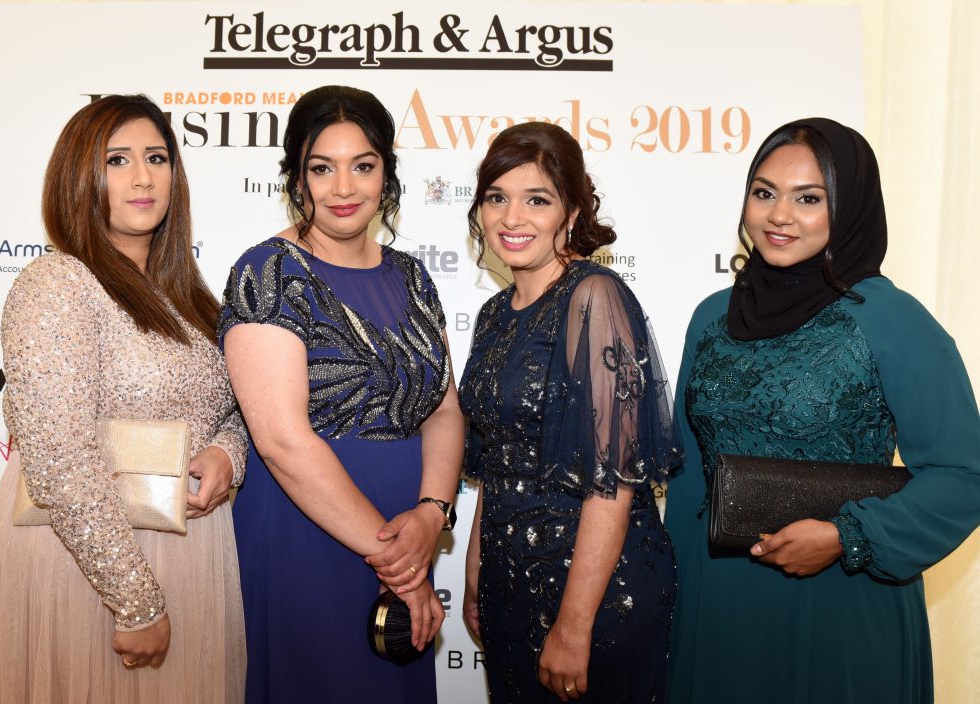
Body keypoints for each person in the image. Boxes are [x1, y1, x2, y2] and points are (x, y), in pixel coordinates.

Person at [666, 117, 980, 703]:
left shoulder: (892, 320)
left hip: (841, 599)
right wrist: (671, 599)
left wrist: (846, 536)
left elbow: (964, 475)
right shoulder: (711, 316)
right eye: (764, 193)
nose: (779, 215)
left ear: (849, 208)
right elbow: (686, 475)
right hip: (720, 602)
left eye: (809, 198)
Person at [0, 95, 247, 702]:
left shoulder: (191, 297)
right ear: (78, 176)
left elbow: (234, 412)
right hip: (89, 565)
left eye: (157, 157)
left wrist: (228, 455)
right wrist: (135, 600)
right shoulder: (56, 283)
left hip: (189, 550)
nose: (143, 177)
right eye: (117, 160)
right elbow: (58, 458)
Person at [219, 85, 462, 703]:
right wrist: (396, 561)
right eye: (322, 168)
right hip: (307, 534)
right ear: (297, 178)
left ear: (387, 173)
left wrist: (431, 513)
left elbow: (444, 410)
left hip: (407, 529)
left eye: (363, 165)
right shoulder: (268, 272)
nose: (344, 188)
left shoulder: (412, 275)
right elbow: (281, 441)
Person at [459, 121, 681, 703]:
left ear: (573, 212)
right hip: (510, 582)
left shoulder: (594, 296)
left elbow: (614, 483)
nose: (512, 218)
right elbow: (498, 460)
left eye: (537, 200)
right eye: (497, 198)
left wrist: (574, 625)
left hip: (595, 592)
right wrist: (477, 570)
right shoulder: (493, 314)